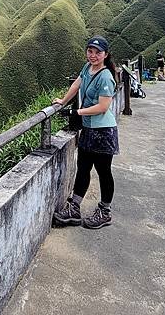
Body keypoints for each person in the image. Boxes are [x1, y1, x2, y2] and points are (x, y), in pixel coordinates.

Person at [52, 35, 118, 229]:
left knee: (103, 171)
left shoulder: (106, 76)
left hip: (104, 131)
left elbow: (103, 106)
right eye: (90, 51)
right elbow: (77, 84)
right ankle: (74, 208)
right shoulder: (87, 67)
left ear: (105, 55)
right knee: (83, 168)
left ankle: (105, 212)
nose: (93, 55)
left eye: (98, 52)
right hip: (89, 129)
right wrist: (63, 101)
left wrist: (76, 111)